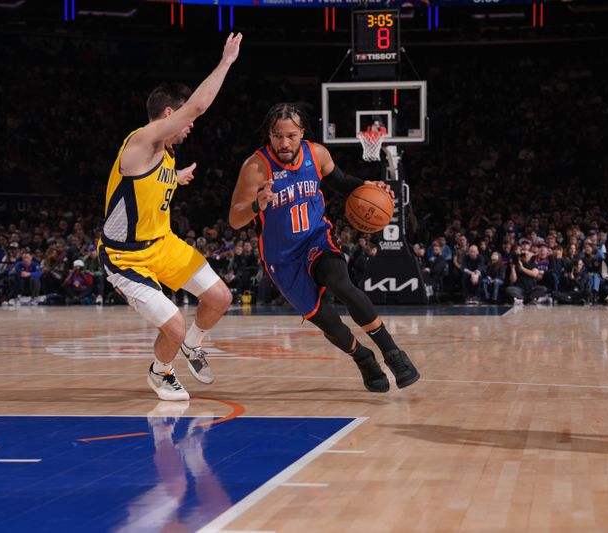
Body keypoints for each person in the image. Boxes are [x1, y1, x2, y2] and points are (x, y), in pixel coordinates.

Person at [228, 103, 420, 393]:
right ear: (269, 135)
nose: (284, 143)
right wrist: (257, 205)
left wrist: (371, 188)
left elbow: (342, 183)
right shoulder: (255, 167)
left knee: (340, 283)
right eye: (278, 136)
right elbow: (234, 219)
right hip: (281, 257)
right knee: (328, 321)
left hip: (316, 238)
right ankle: (363, 358)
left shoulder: (316, 154)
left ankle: (393, 353)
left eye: (291, 135)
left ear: (302, 132)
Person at [99, 33, 242, 401]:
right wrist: (225, 62)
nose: (191, 126)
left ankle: (194, 344)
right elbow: (196, 107)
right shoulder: (142, 141)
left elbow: (144, 191)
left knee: (220, 298)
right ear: (168, 115)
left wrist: (175, 178)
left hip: (162, 245)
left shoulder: (164, 154)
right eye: (183, 118)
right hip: (125, 257)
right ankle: (160, 372)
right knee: (173, 327)